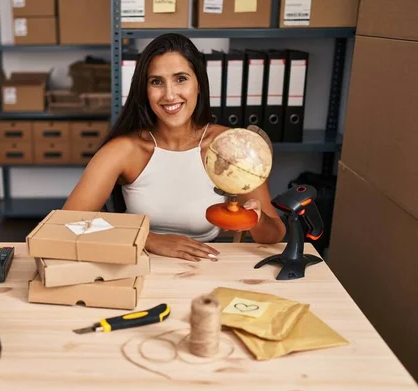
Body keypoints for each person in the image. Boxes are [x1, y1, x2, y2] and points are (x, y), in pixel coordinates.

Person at [63, 33, 286, 262]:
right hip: (134, 262)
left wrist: (255, 218)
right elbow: (66, 223)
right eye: (156, 82)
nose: (170, 95)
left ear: (199, 84)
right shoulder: (124, 150)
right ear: (145, 90)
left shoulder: (233, 145)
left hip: (203, 269)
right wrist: (148, 239)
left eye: (181, 79)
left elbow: (274, 234)